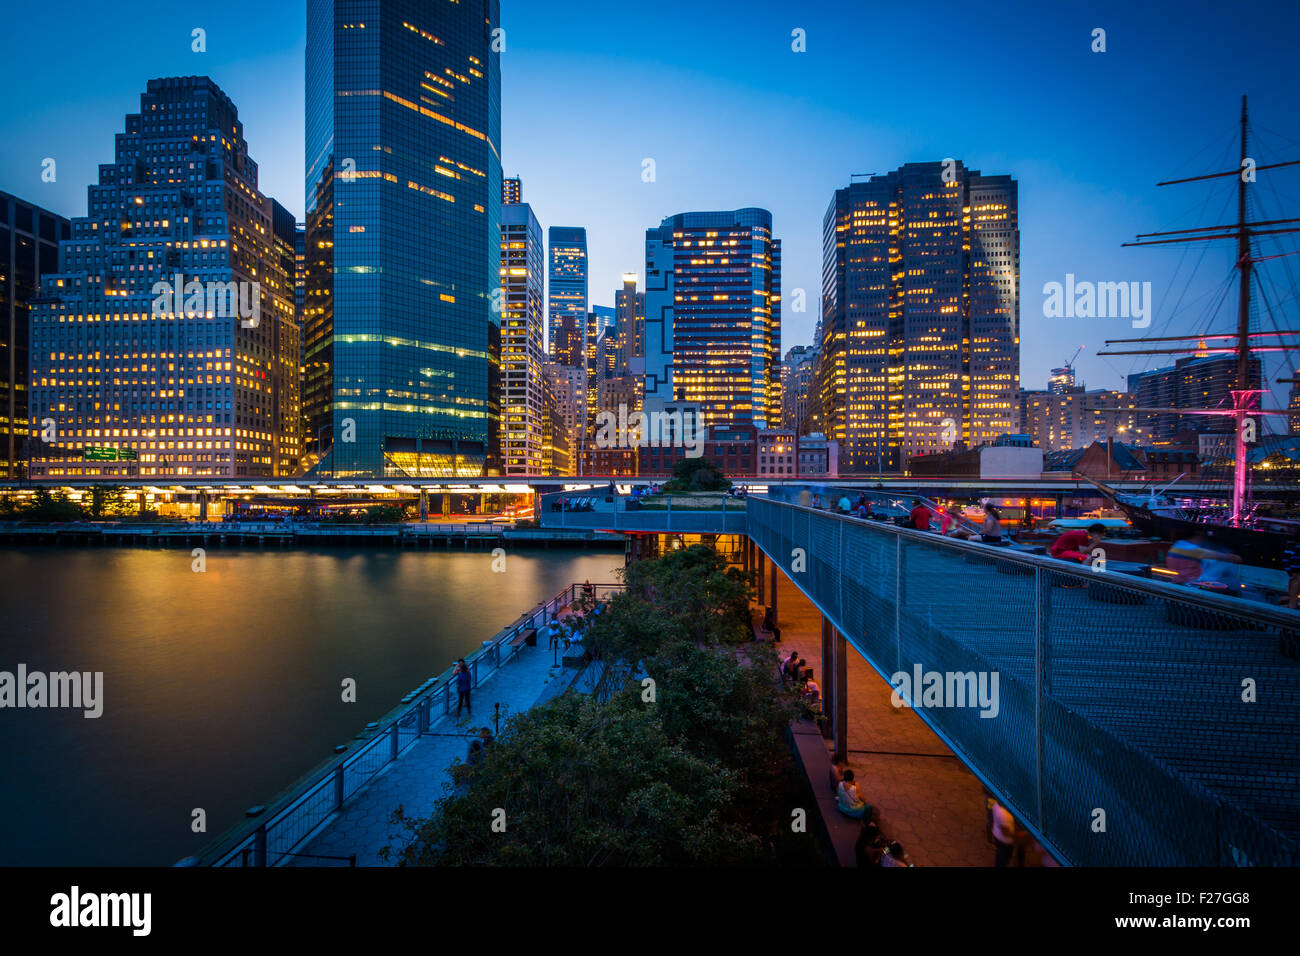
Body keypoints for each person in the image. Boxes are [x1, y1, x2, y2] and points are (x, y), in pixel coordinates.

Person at [1167, 530, 1241, 585]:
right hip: (1192, 581)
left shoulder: (1178, 545)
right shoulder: (1188, 548)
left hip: (1181, 579)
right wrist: (1230, 557)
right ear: (1197, 536)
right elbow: (1208, 554)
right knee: (1226, 564)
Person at [991, 800, 1016, 867]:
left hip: (997, 834)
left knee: (1000, 854)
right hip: (1004, 840)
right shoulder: (1003, 814)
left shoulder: (996, 804)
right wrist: (1019, 836)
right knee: (1003, 858)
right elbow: (1006, 832)